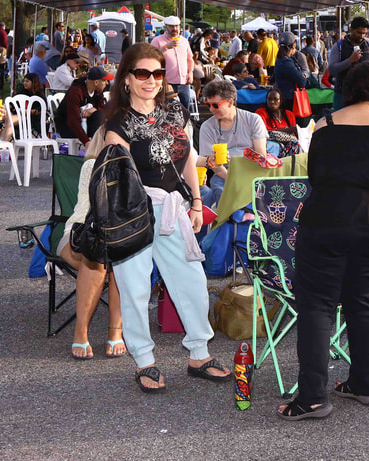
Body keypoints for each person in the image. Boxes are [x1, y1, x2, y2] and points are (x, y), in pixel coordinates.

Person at [278, 62, 369, 420]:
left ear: (347, 90)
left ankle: (312, 397)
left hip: (328, 222)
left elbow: (315, 176)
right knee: (362, 299)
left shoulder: (325, 127)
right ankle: (364, 383)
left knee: (317, 305)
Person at [102, 43, 230, 392]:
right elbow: (116, 178)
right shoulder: (118, 124)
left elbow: (188, 158)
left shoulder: (175, 111)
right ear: (127, 78)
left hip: (176, 207)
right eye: (142, 73)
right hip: (135, 213)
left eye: (157, 74)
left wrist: (196, 201)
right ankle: (144, 360)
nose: (151, 80)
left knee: (191, 282)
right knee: (134, 287)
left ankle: (199, 354)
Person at [54, 127, 125, 360]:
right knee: (97, 260)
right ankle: (81, 332)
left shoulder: (135, 170)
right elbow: (95, 208)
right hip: (79, 233)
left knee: (123, 263)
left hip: (118, 237)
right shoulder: (91, 166)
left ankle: (116, 331)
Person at [196, 79, 268, 208]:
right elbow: (213, 164)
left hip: (252, 171)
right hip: (223, 174)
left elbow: (261, 155)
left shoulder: (253, 119)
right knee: (222, 192)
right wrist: (233, 179)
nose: (211, 109)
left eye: (216, 105)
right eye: (208, 105)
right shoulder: (207, 127)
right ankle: (225, 225)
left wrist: (245, 178)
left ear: (230, 102)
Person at [327, 17, 369, 111]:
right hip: (343, 94)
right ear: (351, 30)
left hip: (364, 96)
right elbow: (332, 70)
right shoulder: (339, 46)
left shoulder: (368, 47)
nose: (361, 36)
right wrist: (349, 61)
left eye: (364, 33)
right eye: (359, 32)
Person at [55, 66, 112, 147]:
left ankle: (98, 144)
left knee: (99, 114)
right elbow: (72, 121)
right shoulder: (76, 92)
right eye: (105, 80)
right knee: (98, 116)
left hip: (84, 124)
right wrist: (86, 141)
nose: (107, 83)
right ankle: (94, 145)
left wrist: (95, 109)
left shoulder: (97, 91)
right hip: (67, 126)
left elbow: (103, 108)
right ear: (96, 82)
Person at [151, 16, 195, 111]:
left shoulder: (184, 41)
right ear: (165, 26)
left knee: (185, 109)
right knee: (165, 109)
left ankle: (184, 125)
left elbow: (190, 59)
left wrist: (190, 73)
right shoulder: (157, 40)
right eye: (171, 26)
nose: (174, 29)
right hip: (166, 82)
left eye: (176, 26)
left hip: (183, 81)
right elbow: (152, 58)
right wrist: (165, 47)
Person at [273, 32, 308, 111]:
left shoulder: (279, 60)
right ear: (294, 45)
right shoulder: (286, 62)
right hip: (290, 99)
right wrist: (304, 76)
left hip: (284, 97)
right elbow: (302, 81)